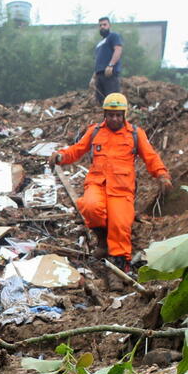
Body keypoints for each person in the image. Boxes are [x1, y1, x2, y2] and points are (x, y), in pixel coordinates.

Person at [52, 93, 171, 271]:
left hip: (122, 188)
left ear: (124, 115)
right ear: (104, 114)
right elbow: (77, 150)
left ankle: (120, 263)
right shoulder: (95, 131)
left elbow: (151, 157)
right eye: (110, 115)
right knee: (90, 206)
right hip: (97, 183)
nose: (114, 119)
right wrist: (61, 156)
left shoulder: (135, 134)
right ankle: (103, 241)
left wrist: (162, 175)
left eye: (118, 115)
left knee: (120, 223)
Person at [90, 17, 123, 105]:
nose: (102, 27)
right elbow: (98, 61)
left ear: (109, 25)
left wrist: (111, 65)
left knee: (112, 101)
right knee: (101, 102)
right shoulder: (99, 44)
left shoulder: (113, 36)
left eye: (104, 24)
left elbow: (118, 50)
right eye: (100, 25)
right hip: (99, 75)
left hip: (109, 73)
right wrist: (93, 77)